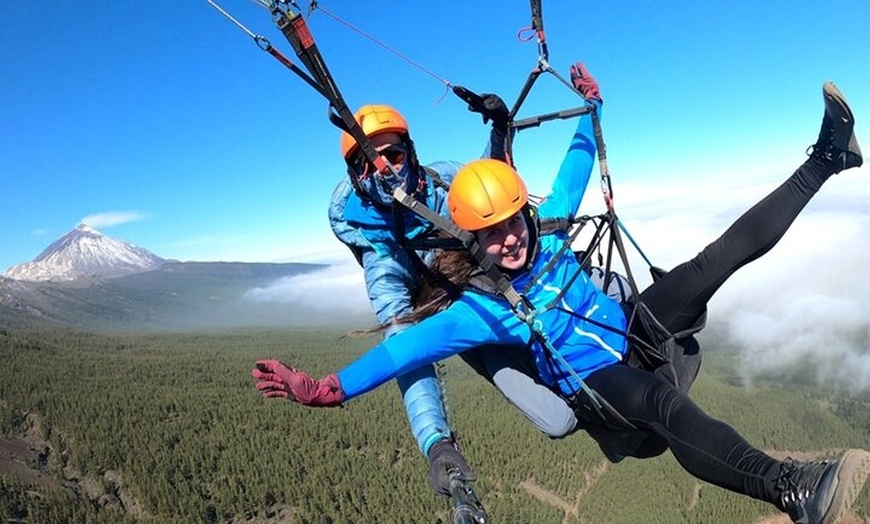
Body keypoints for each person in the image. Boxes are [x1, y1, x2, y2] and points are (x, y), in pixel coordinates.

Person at [254, 78, 868, 524]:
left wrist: (591, 106)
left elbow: (575, 167)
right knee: (660, 406)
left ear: (525, 210)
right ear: (472, 239)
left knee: (712, 263)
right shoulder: (481, 308)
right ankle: (790, 487)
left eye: (513, 222)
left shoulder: (545, 229)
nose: (509, 240)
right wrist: (325, 389)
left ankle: (826, 159)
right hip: (596, 378)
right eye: (490, 234)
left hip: (630, 327)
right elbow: (403, 350)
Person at [327, 97, 512, 496]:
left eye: (393, 153)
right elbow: (402, 341)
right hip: (455, 306)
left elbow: (487, 192)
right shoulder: (380, 252)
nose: (383, 168)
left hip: (475, 280)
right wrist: (436, 441)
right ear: (355, 174)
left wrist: (500, 131)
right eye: (367, 161)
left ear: (409, 152)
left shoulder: (442, 183)